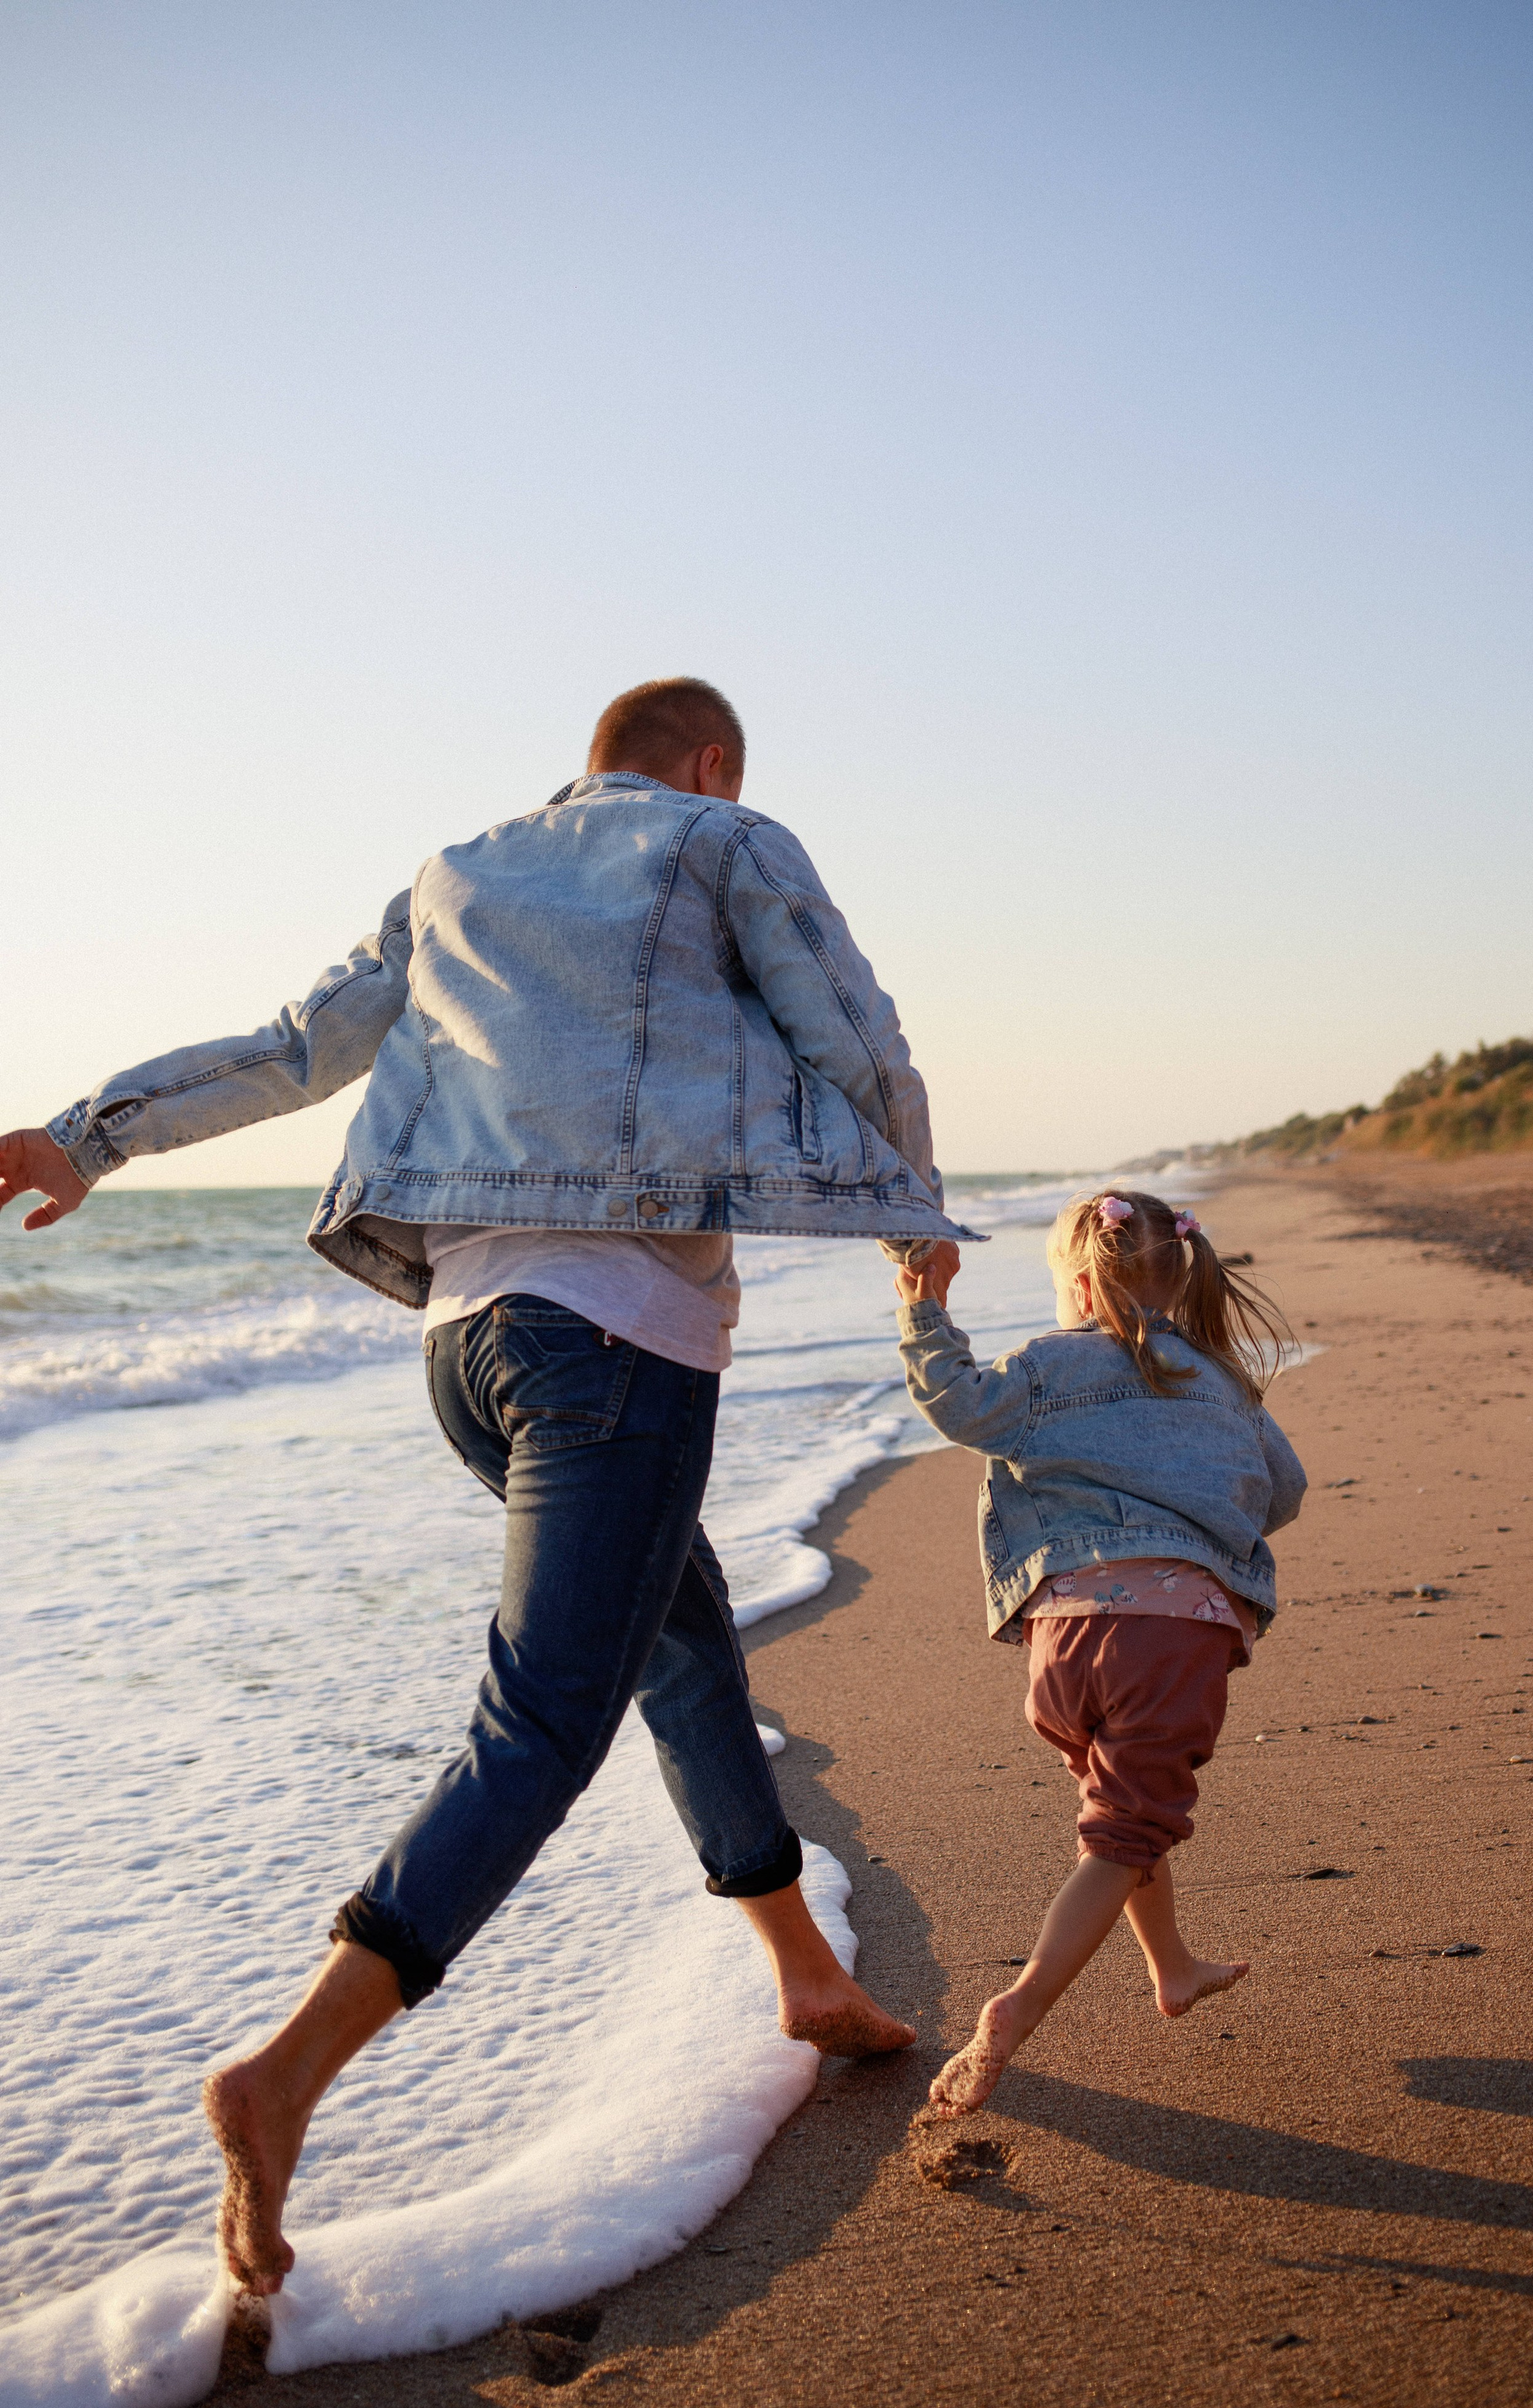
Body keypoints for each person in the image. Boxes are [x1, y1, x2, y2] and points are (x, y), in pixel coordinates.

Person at [0, 675, 967, 2295]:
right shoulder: (721, 838)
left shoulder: (453, 872)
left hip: (467, 1342)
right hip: (617, 1341)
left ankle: (799, 1974)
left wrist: (83, 1137)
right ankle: (288, 2068)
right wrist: (910, 1201)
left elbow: (300, 1049)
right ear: (709, 764)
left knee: (684, 1647)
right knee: (540, 1731)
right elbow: (847, 1028)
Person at [889, 1187, 1305, 2117]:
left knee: (1122, 1815)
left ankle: (1173, 1966)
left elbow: (956, 1404)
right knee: (1124, 1832)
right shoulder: (1223, 1379)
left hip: (1062, 1639)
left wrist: (924, 1306)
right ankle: (1017, 2005)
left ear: (1077, 1284)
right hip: (1171, 1640)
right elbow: (1285, 1492)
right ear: (1182, 1275)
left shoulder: (1044, 1369)